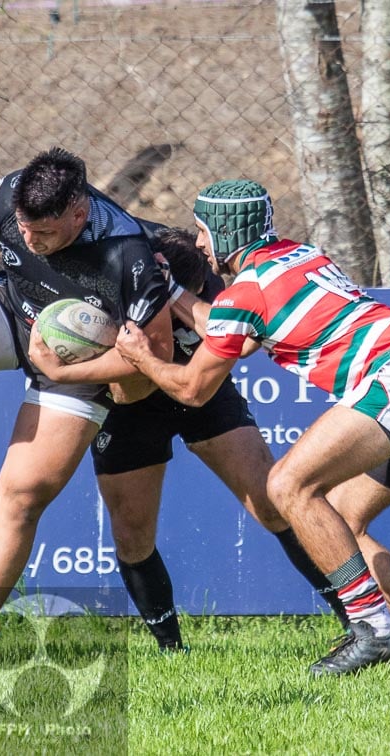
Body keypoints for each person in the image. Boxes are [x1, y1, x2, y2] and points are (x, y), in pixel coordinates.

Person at [115, 179, 390, 676]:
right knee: (339, 524)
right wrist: (173, 291)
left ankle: (374, 627)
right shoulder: (297, 255)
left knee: (287, 485)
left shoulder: (246, 291)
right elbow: (229, 328)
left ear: (222, 230)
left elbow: (194, 389)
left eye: (201, 231)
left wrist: (140, 357)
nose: (198, 244)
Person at [0, 146, 175, 660]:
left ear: (80, 214)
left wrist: (62, 370)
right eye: (24, 231)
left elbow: (154, 357)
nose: (30, 240)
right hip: (12, 310)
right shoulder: (9, 197)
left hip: (80, 361)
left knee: (20, 494)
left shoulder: (127, 252)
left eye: (46, 234)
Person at [96, 225, 347, 651]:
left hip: (201, 390)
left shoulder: (213, 283)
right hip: (131, 406)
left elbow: (238, 346)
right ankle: (171, 649)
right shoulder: (118, 279)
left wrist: (181, 306)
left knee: (274, 504)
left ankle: (357, 622)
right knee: (132, 533)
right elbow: (120, 387)